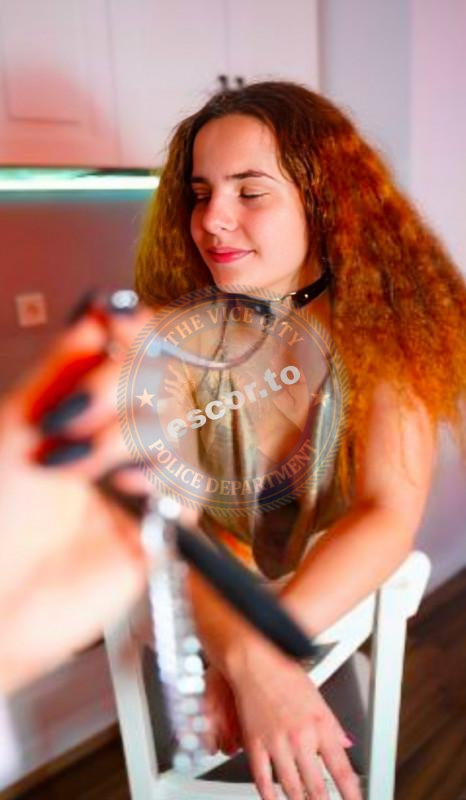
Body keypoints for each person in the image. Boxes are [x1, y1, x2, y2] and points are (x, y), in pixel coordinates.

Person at [134, 81, 466, 800]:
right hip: (195, 625)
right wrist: (248, 662)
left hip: (314, 612)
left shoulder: (385, 331)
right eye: (200, 193)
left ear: (327, 203)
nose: (212, 219)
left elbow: (387, 512)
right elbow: (169, 535)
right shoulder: (168, 343)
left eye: (250, 192)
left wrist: (260, 656)